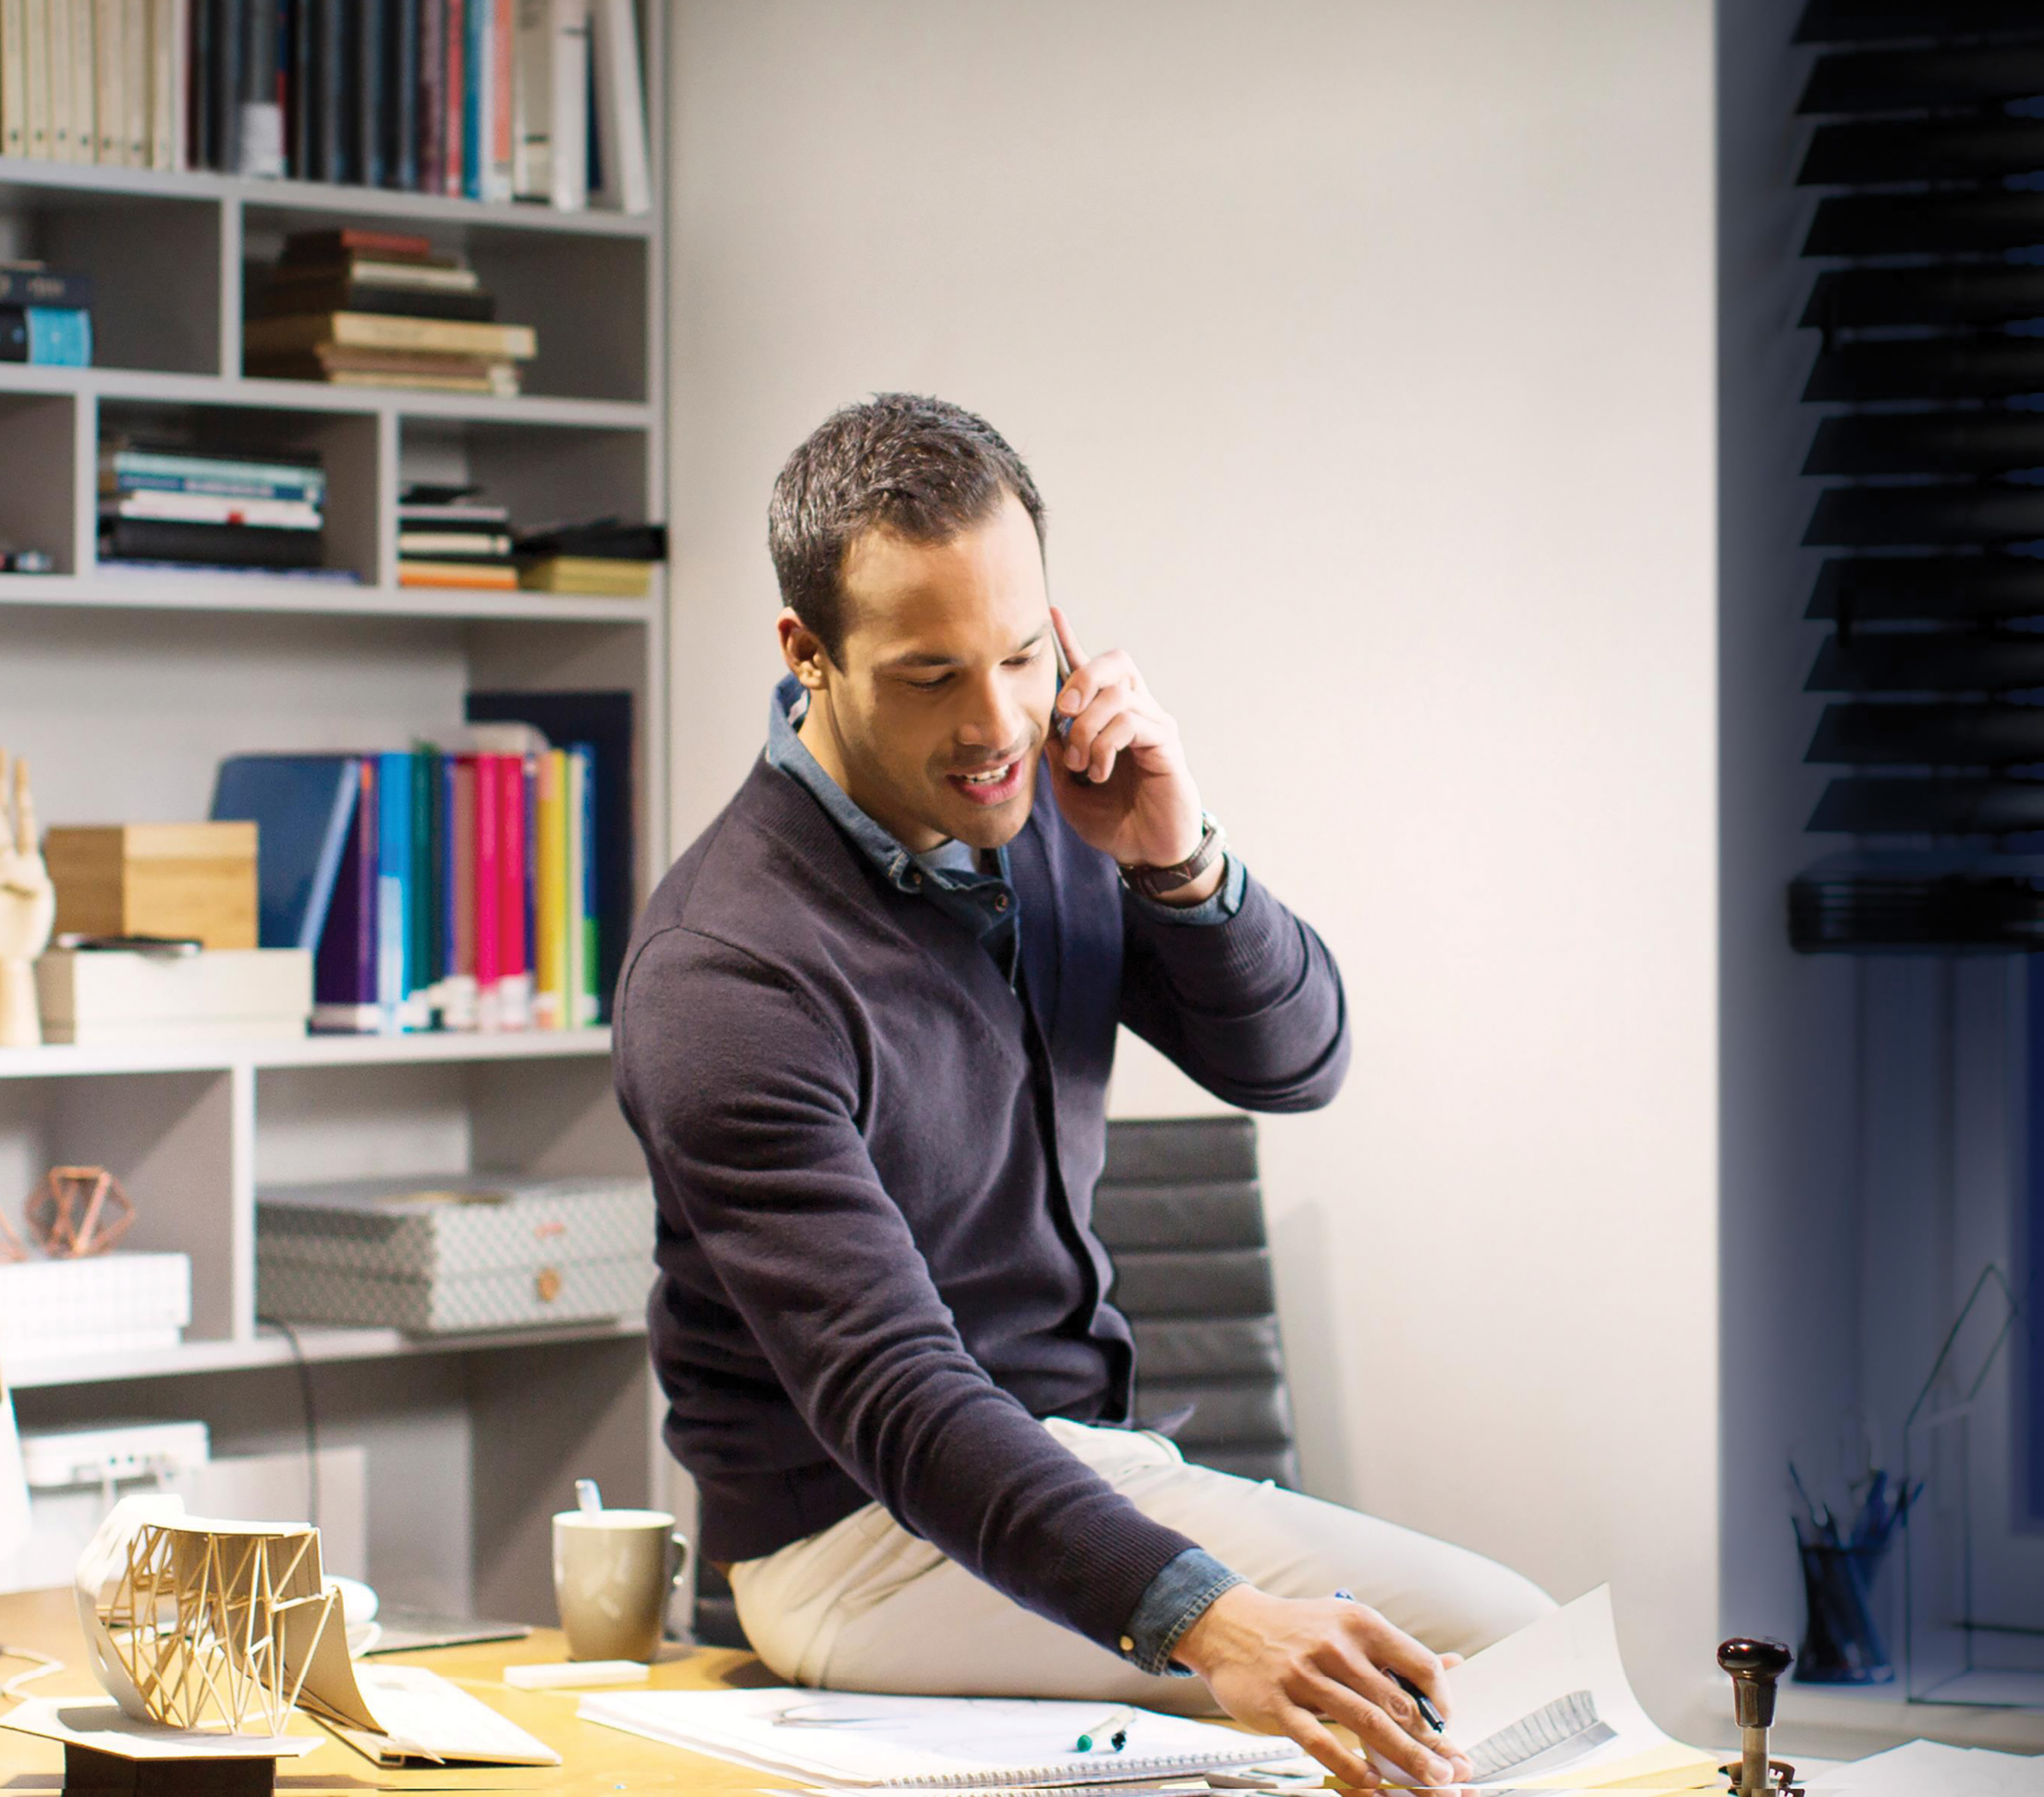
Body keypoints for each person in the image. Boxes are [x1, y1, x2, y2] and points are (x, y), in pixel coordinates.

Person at [613, 395, 1550, 1790]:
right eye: (932, 676)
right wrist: (1212, 1623)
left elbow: (1295, 1064)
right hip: (858, 1537)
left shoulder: (1050, 802)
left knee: (1486, 1686)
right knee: (1493, 1658)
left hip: (1079, 1473)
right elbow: (896, 1393)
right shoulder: (726, 974)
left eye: (1022, 652)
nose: (998, 725)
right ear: (808, 654)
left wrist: (1181, 866)